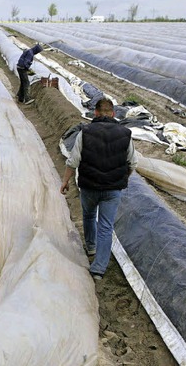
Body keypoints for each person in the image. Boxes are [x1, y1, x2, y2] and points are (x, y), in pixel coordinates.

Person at [60, 98, 137, 281]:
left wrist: (65, 181)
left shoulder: (85, 132)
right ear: (113, 113)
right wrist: (123, 177)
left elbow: (73, 161)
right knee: (105, 226)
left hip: (89, 186)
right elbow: (132, 162)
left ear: (95, 113)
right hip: (112, 190)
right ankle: (98, 270)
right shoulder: (125, 134)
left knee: (88, 215)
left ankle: (91, 247)